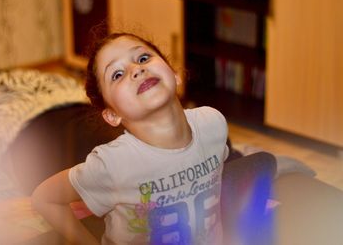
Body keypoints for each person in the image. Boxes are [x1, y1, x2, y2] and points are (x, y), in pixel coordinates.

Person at [31, 32, 230, 245]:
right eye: (117, 74)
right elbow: (45, 199)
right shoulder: (112, 164)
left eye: (143, 58)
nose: (137, 70)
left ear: (175, 74)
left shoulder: (213, 124)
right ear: (112, 114)